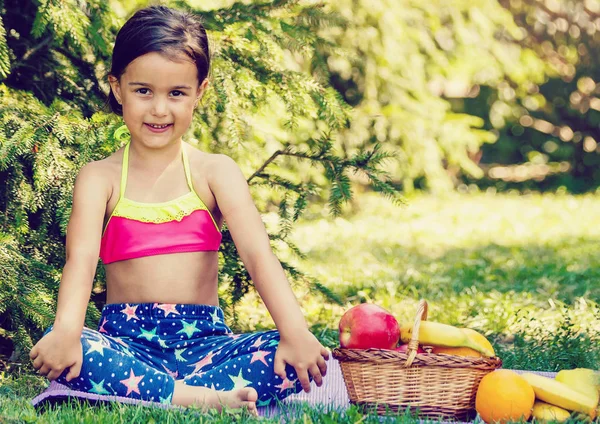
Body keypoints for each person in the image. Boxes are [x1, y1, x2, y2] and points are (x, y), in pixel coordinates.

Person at [29, 5, 329, 415]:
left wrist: (295, 331)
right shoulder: (99, 178)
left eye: (176, 93)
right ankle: (203, 401)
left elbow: (259, 258)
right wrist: (66, 332)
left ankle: (166, 394)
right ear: (117, 88)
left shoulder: (215, 172)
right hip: (126, 347)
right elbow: (79, 264)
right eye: (143, 91)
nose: (159, 109)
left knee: (293, 353)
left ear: (199, 92)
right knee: (74, 348)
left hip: (206, 349)